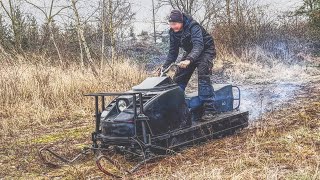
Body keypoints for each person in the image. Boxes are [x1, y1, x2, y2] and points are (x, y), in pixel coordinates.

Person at [162, 9, 216, 111]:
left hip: (206, 49)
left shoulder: (193, 26)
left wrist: (189, 60)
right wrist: (165, 66)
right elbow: (173, 52)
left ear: (181, 22)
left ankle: (209, 109)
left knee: (203, 74)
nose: (173, 27)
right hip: (191, 51)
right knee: (179, 76)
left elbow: (199, 45)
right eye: (171, 24)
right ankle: (177, 106)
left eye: (175, 24)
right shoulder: (172, 32)